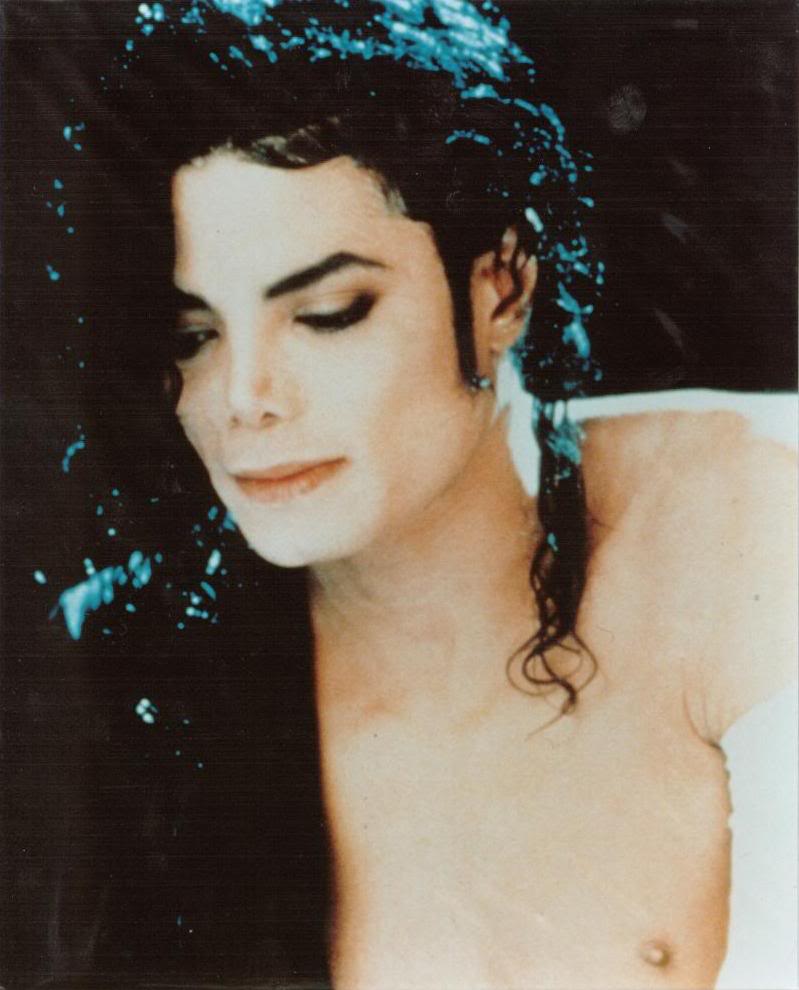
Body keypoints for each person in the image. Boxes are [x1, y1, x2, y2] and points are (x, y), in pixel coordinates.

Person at [6, 1, 796, 988]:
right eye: (193, 336)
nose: (245, 398)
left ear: (500, 287)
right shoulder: (125, 660)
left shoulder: (745, 509)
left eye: (328, 313)